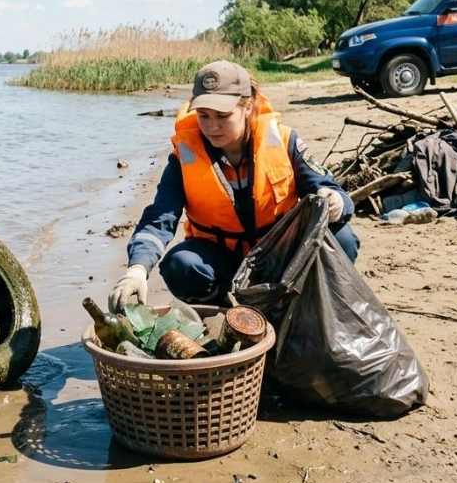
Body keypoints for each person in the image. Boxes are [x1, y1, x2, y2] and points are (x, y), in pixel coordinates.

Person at [108, 60, 360, 312]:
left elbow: (330, 190)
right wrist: (137, 269)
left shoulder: (284, 141)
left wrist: (336, 202)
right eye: (203, 116)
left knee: (342, 238)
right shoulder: (183, 158)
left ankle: (306, 307)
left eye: (222, 116)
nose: (211, 127)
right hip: (223, 259)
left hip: (280, 254)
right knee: (180, 264)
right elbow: (159, 218)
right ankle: (229, 314)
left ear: (247, 106)